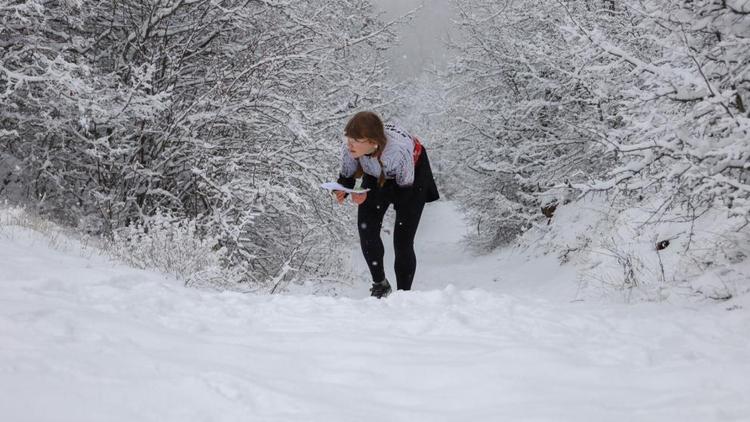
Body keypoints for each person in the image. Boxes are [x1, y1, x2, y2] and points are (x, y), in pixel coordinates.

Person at [334, 111, 439, 298]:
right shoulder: (350, 148)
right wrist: (343, 190)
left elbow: (404, 194)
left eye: (356, 140)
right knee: (366, 230)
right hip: (376, 176)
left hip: (411, 179)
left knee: (402, 240)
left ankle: (403, 294)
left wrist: (370, 195)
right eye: (348, 138)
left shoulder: (398, 151)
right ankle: (380, 284)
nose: (349, 143)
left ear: (372, 141)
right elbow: (346, 178)